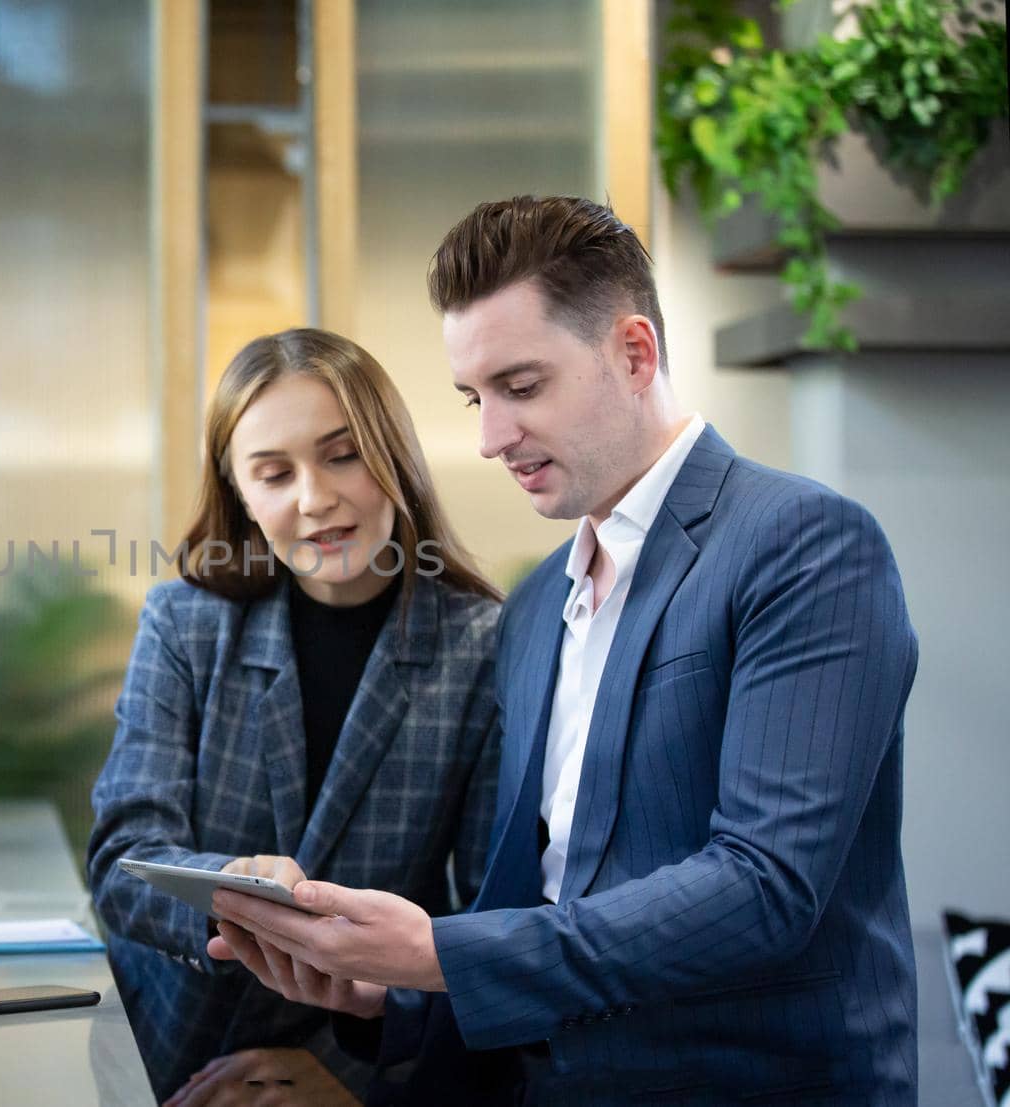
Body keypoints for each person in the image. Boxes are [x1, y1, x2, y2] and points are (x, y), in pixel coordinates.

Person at [206, 197, 920, 1105]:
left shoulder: (805, 544)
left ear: (634, 352)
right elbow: (536, 902)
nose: (489, 437)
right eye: (475, 397)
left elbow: (765, 886)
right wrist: (393, 992)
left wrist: (440, 951)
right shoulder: (539, 604)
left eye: (522, 386)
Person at [87, 328, 506, 1104]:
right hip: (152, 1058)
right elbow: (121, 859)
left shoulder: (482, 647)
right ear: (240, 493)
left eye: (342, 454)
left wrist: (350, 1072)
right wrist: (232, 885)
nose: (314, 499)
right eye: (274, 473)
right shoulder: (187, 622)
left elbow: (489, 924)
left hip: (351, 1070)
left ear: (395, 454)